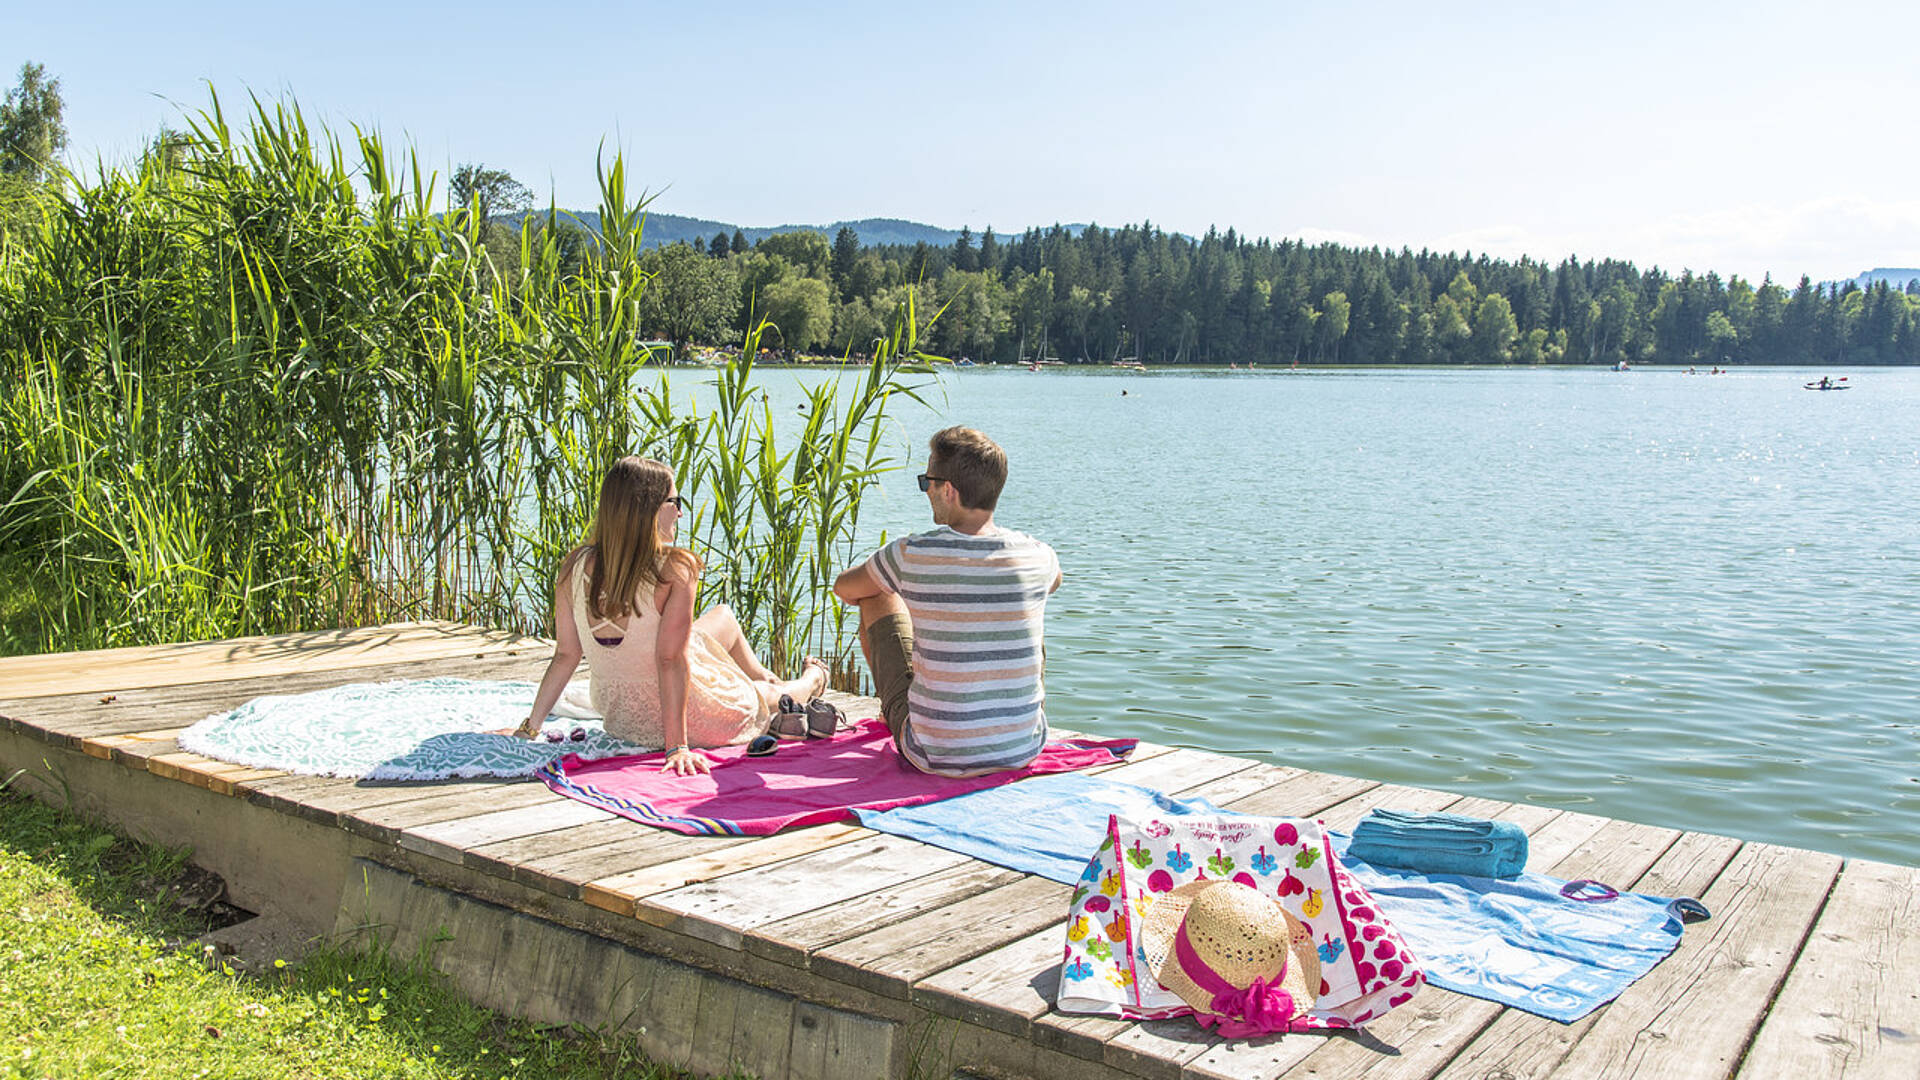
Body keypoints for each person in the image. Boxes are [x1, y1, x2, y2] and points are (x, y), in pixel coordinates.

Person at [512, 456, 827, 775]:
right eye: (674, 501)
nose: (679, 511)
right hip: (688, 716)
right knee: (765, 697)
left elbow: (566, 654)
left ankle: (763, 675)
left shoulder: (574, 566)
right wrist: (677, 747)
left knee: (724, 615)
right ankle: (813, 679)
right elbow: (669, 661)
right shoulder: (675, 568)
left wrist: (530, 728)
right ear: (647, 509)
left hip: (620, 717)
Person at [833, 426, 1061, 777]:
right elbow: (1056, 583)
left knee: (875, 593)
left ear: (948, 490)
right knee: (1023, 606)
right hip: (1021, 749)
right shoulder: (1038, 555)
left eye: (927, 482)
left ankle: (895, 710)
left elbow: (845, 589)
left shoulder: (910, 554)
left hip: (933, 752)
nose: (926, 492)